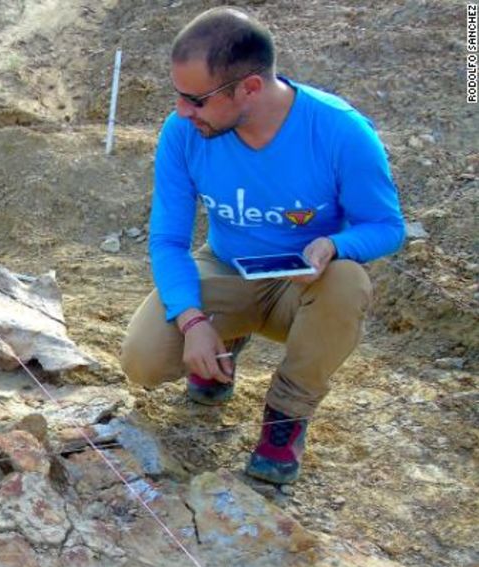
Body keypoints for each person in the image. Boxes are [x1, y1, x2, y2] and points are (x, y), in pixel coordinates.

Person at [119, 7, 404, 485]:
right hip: (228, 269)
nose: (182, 113)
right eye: (178, 97)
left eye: (196, 100)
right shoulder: (183, 134)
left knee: (349, 281)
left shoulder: (340, 131)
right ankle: (220, 341)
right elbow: (168, 240)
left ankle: (285, 418)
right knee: (141, 361)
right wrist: (191, 321)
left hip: (303, 286)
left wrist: (334, 245)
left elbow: (385, 226)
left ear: (249, 88)